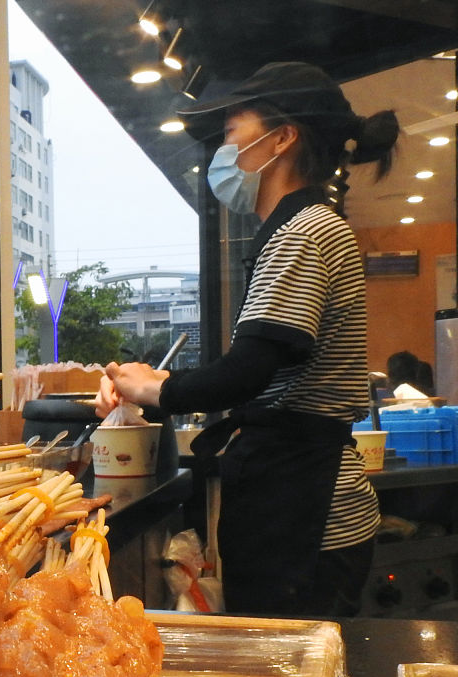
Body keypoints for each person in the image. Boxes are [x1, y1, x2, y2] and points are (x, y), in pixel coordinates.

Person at [94, 62, 399, 617]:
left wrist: (156, 392)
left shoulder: (305, 231)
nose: (223, 151)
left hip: (310, 514)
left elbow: (247, 372)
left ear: (281, 138)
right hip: (297, 502)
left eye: (232, 132)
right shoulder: (299, 228)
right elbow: (266, 369)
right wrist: (151, 381)